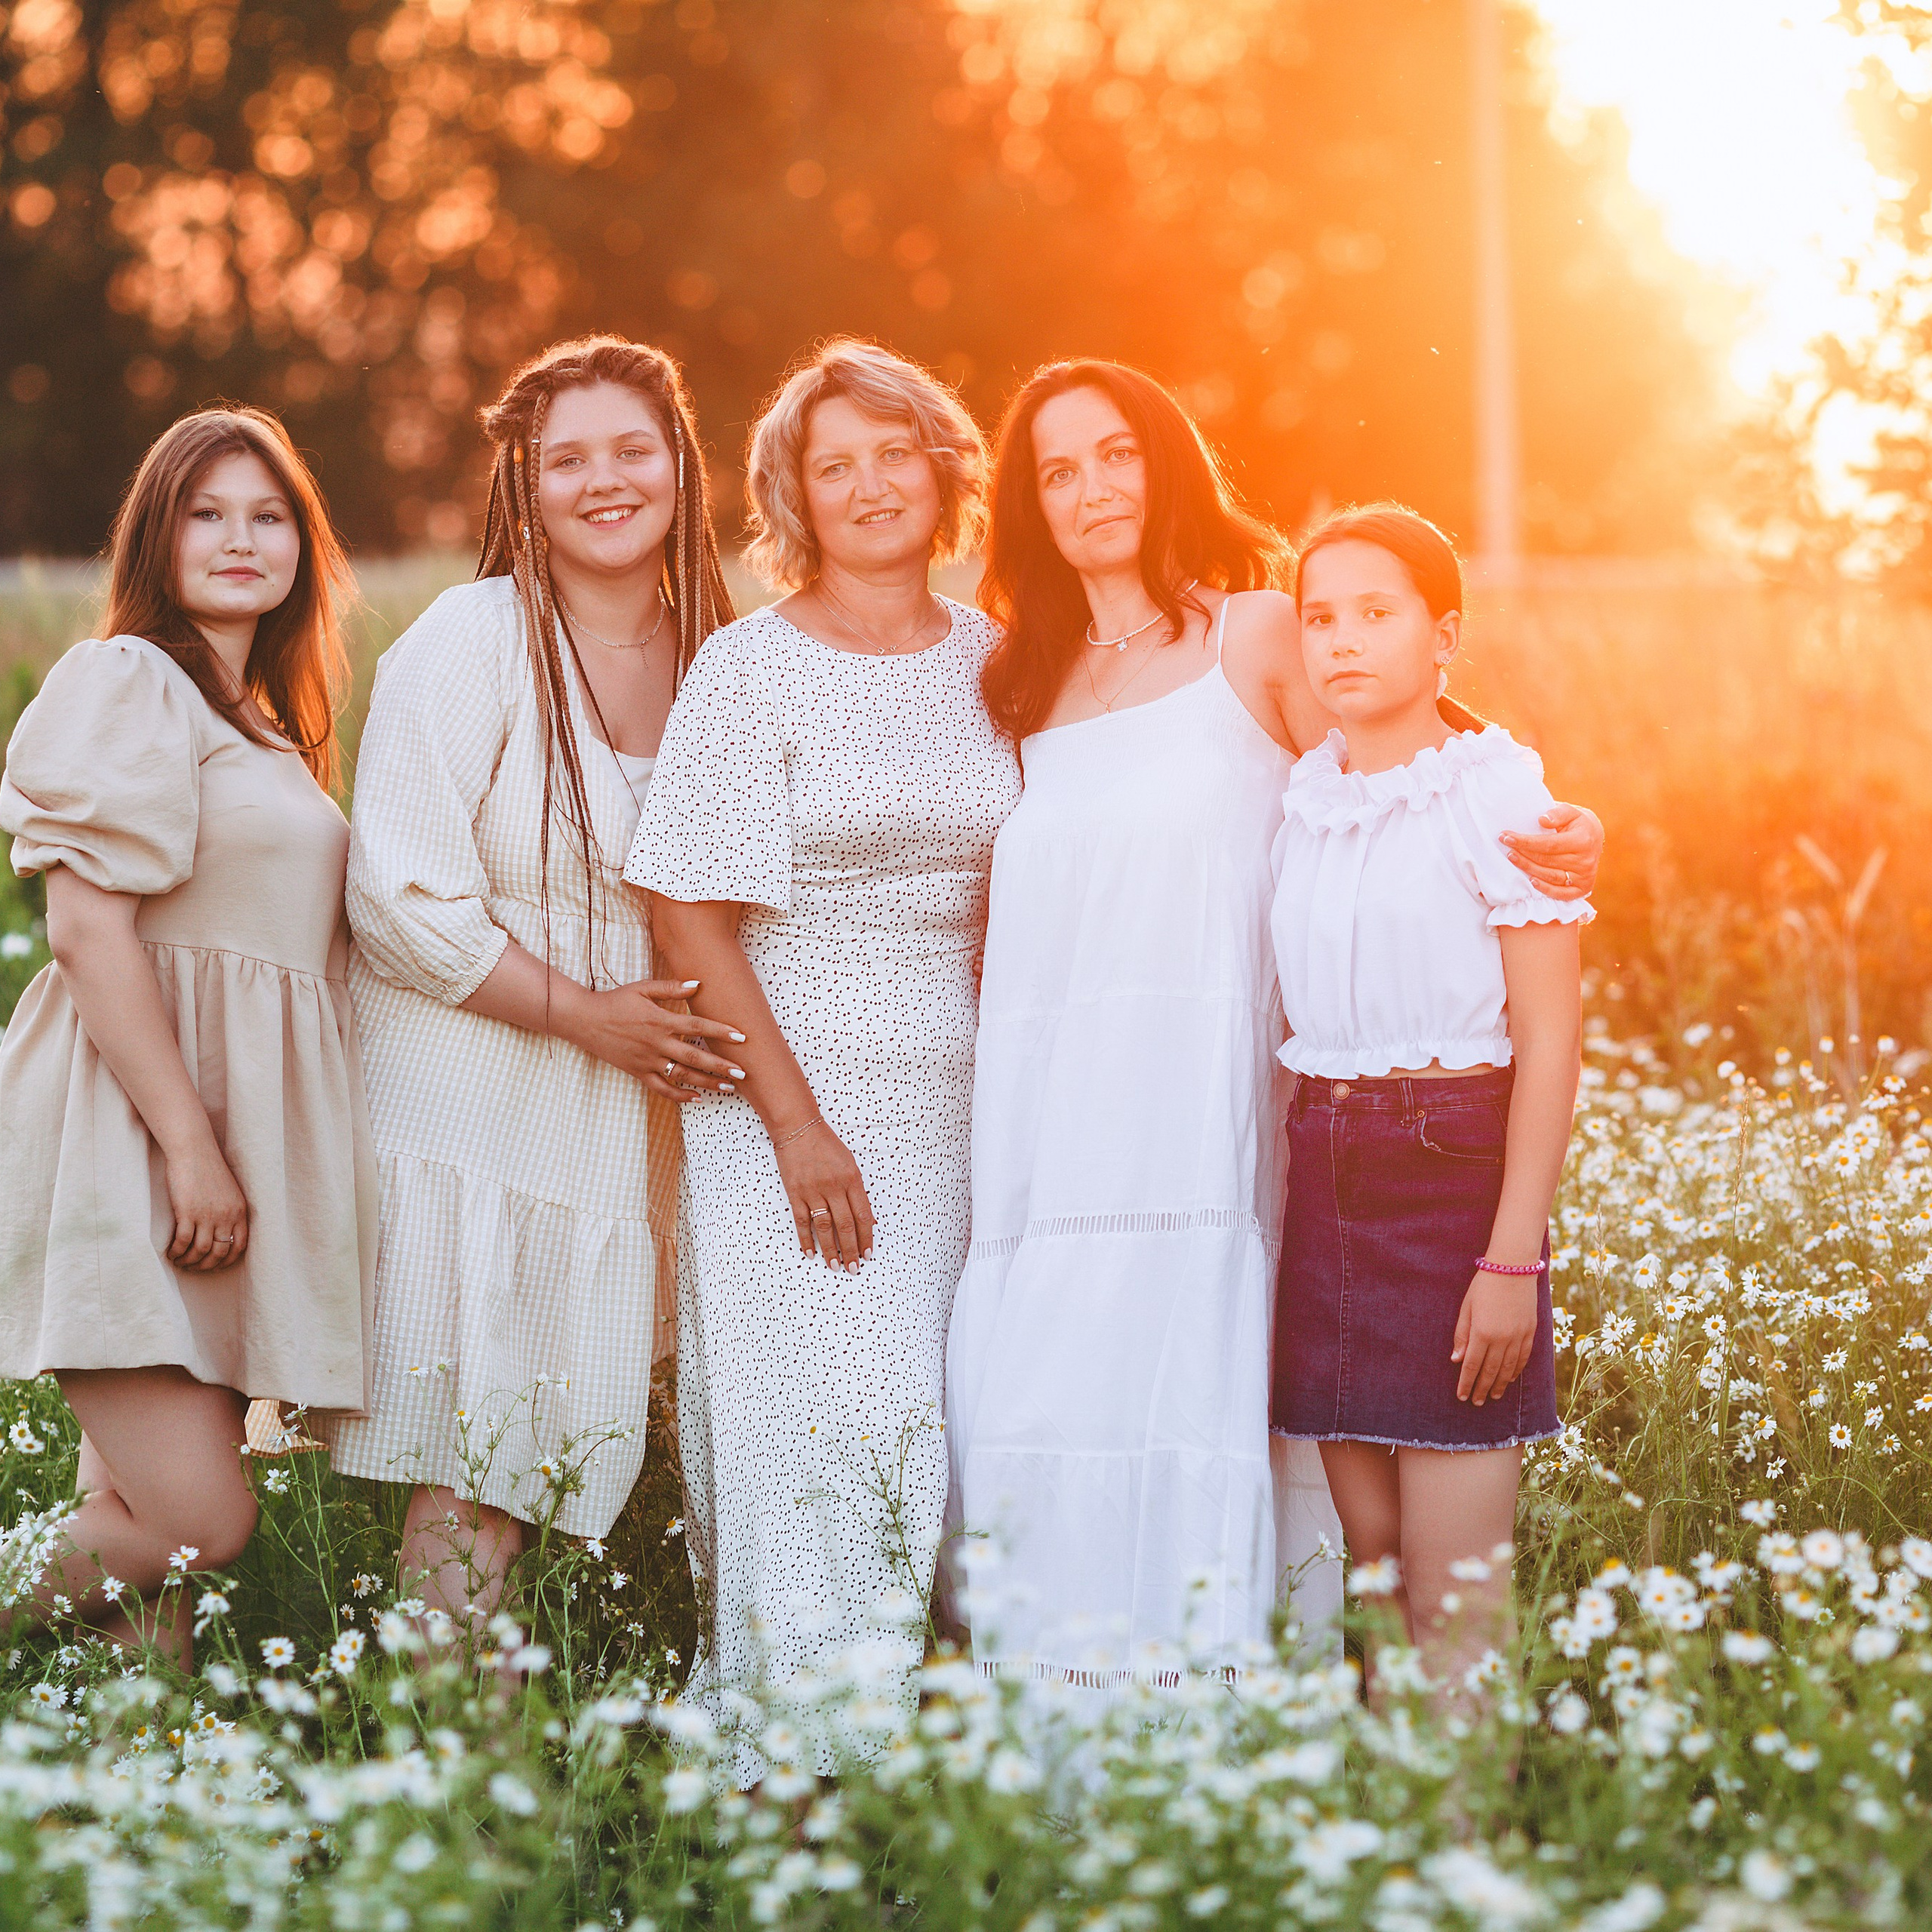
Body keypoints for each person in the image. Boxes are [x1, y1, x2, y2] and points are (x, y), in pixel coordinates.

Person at [946, 362, 1601, 1684]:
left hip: (1215, 1124)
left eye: (1117, 453)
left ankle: (1256, 1732)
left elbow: (1406, 749)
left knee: (1248, 1448)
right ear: (1029, 505)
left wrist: (1553, 817)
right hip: (1054, 1136)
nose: (1092, 490)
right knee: (1051, 1405)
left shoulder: (1256, 634)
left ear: (1167, 463)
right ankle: (1075, 1728)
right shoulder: (1016, 678)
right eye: (1057, 471)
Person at [627, 340, 1021, 1770]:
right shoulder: (751, 668)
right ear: (792, 497)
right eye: (832, 465)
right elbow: (686, 909)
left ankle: (942, 1790)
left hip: (976, 1109)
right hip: (795, 1115)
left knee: (959, 1448)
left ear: (944, 465)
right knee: (834, 1454)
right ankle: (800, 1795)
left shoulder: (1003, 660)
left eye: (893, 451)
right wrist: (799, 1130)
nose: (869, 486)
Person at [321, 337, 739, 1619]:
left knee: (539, 1486)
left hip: (627, 1133)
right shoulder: (477, 638)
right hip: (473, 1110)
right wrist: (587, 1015)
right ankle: (435, 1801)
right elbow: (398, 896)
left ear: (680, 466)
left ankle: (491, 1796)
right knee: (471, 1482)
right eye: (568, 459)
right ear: (525, 483)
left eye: (632, 449)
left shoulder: (727, 655)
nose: (604, 480)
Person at [0, 406, 376, 1663]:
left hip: (218, 1148)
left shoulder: (268, 726)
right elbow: (87, 936)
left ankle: (134, 1811)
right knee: (198, 1517)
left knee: (138, 1534)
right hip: (135, 1138)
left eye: (269, 516)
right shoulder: (130, 678)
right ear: (156, 537)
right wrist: (193, 1148)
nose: (240, 539)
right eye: (207, 513)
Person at [1269, 505, 1583, 1692]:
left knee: (1457, 1597)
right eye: (1320, 616)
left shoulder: (1499, 792)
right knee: (1377, 1574)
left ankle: (1469, 1863)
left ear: (1443, 634)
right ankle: (1399, 1858)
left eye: (1377, 612)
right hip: (1327, 1173)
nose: (1342, 640)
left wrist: (1514, 1265)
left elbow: (1550, 1040)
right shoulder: (1309, 793)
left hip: (1450, 1181)